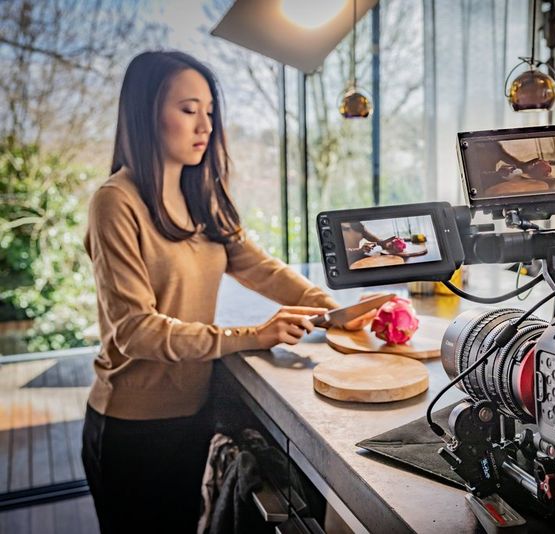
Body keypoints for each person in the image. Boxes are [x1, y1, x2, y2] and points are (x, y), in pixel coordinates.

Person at [80, 51, 367, 534]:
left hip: (191, 415)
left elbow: (259, 267)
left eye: (209, 112)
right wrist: (253, 333)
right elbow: (135, 331)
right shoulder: (116, 201)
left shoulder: (201, 195)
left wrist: (334, 309)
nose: (204, 125)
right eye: (189, 109)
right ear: (144, 113)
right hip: (132, 428)